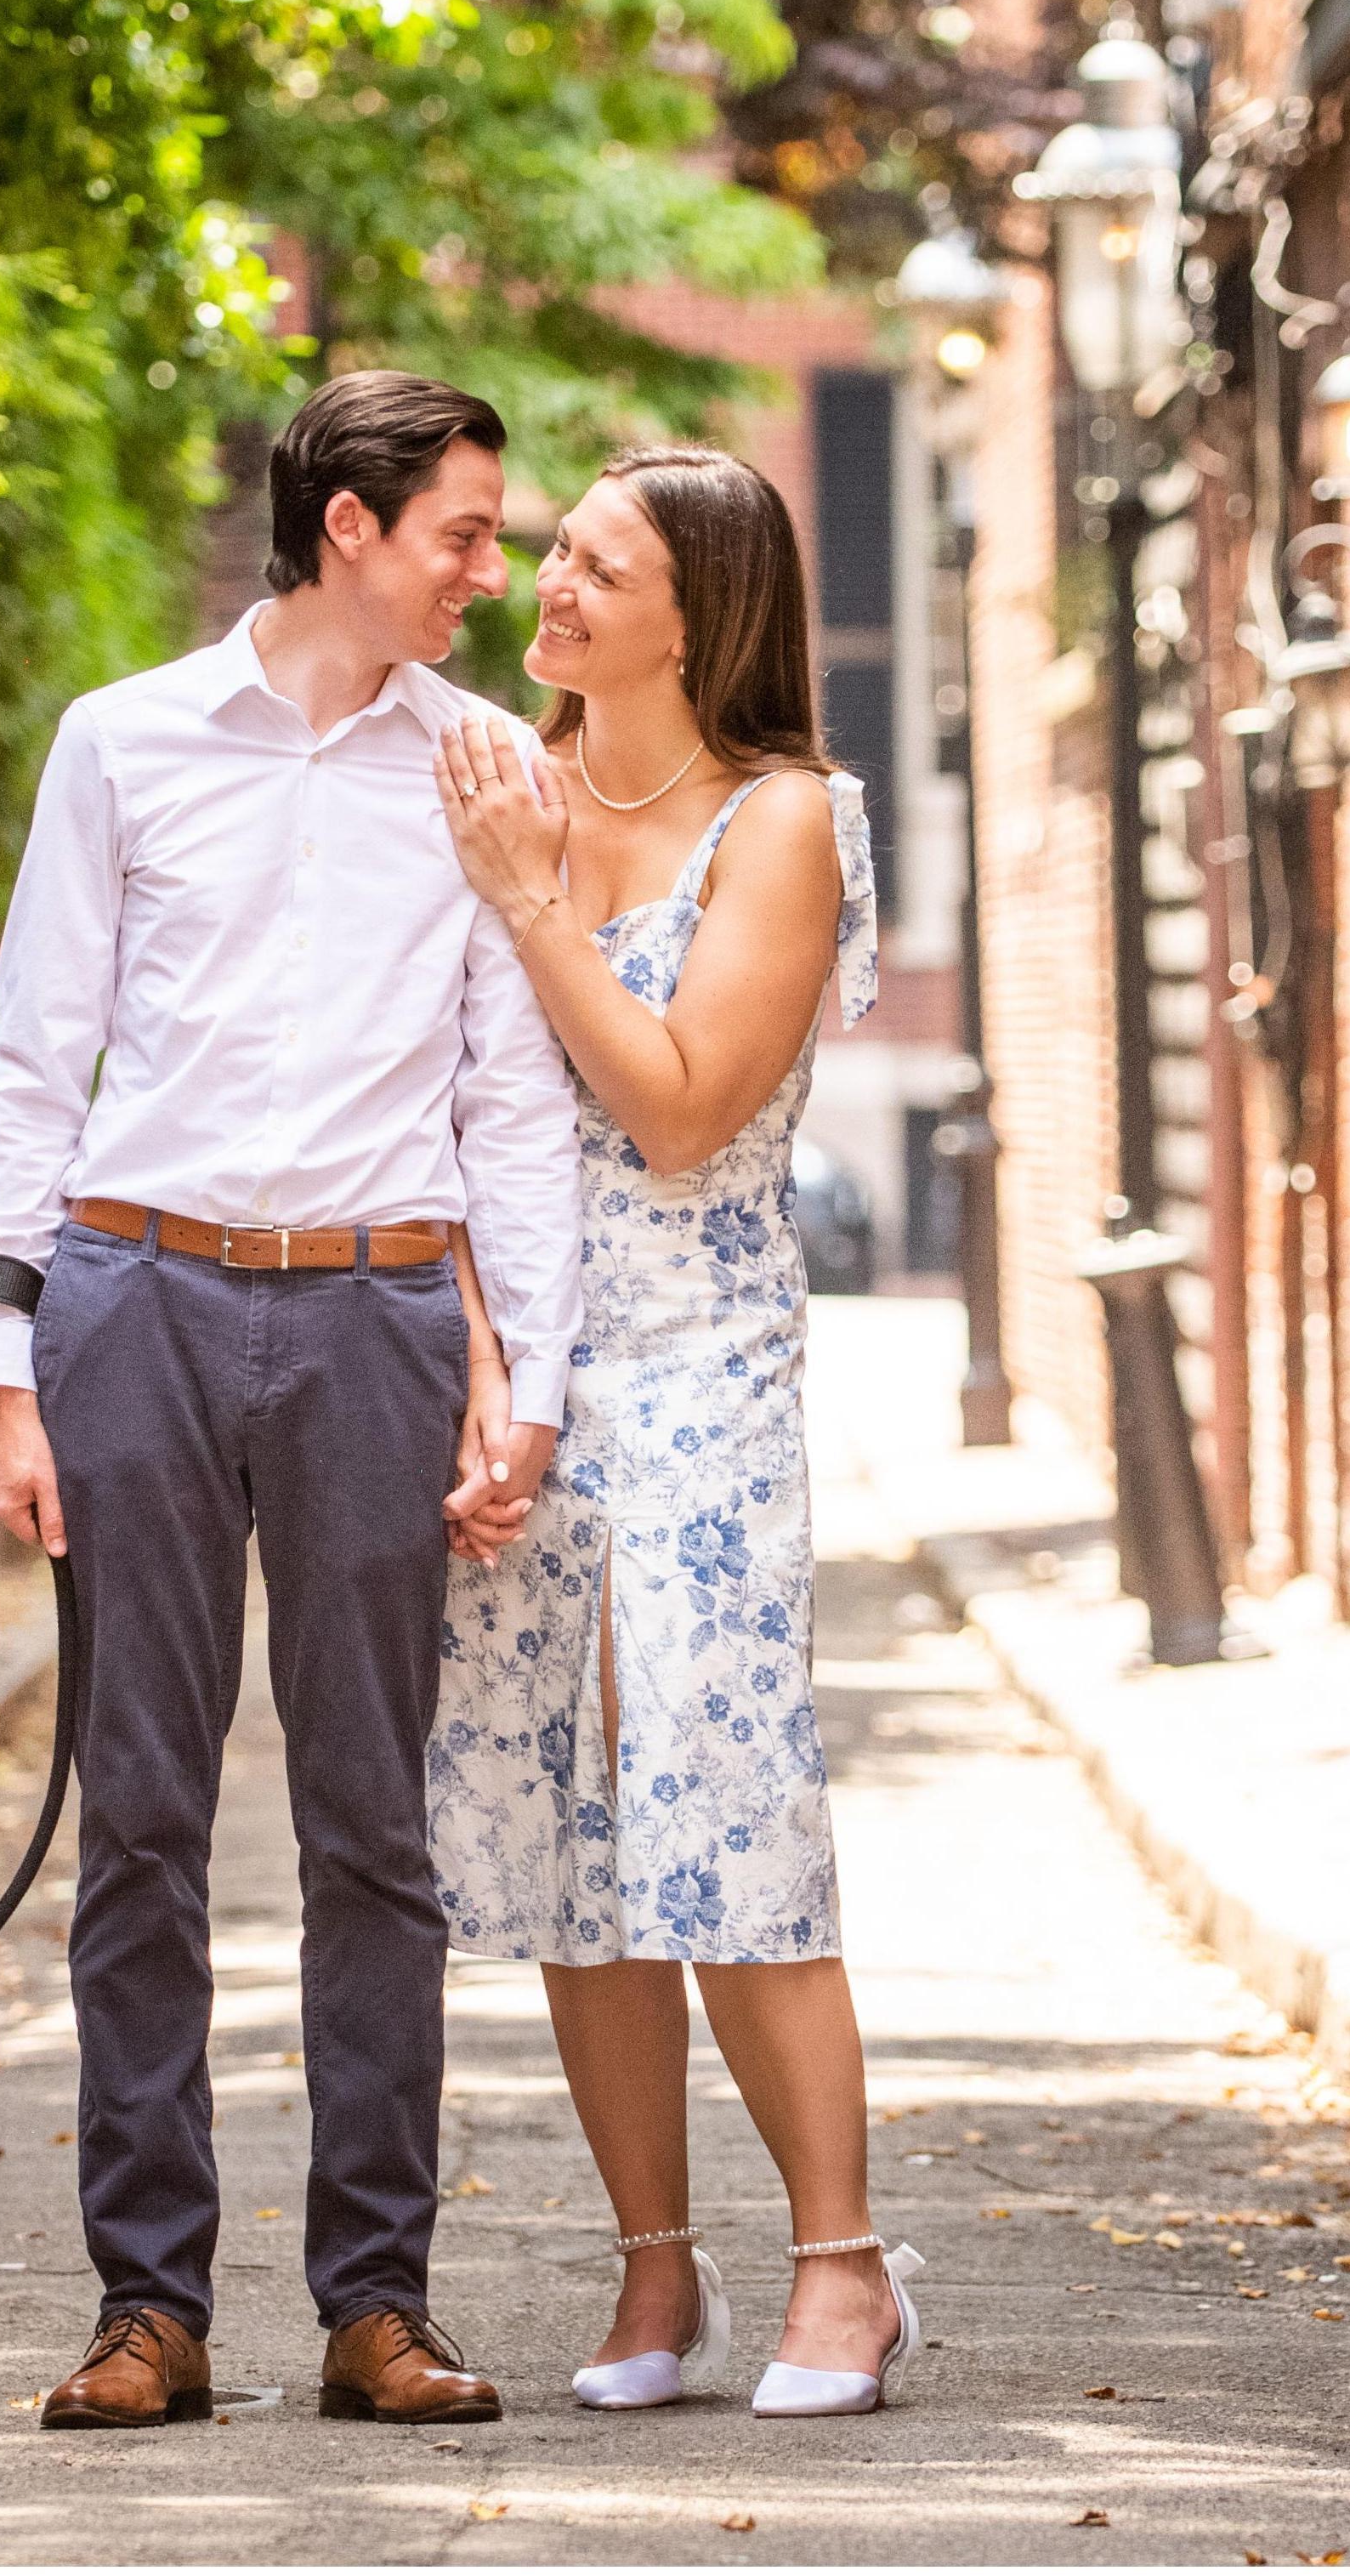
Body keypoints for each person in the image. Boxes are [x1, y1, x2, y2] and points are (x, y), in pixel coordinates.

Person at [0, 371, 585, 2431]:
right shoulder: (121, 742)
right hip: (132, 1300)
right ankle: (148, 2304)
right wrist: (3, 1358)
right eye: (464, 535)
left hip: (376, 1320)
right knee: (138, 1817)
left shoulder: (481, 768)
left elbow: (510, 1100)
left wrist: (530, 1382)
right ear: (346, 527)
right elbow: (37, 1054)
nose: (491, 574)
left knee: (366, 1825)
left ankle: (373, 2299)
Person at [423, 445, 921, 2420]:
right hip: (520, 1382)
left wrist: (534, 910)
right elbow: (440, 1118)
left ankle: (843, 2263)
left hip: (703, 1364)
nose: (542, 585)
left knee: (725, 1807)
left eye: (590, 564)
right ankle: (653, 2268)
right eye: (547, 551)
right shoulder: (499, 793)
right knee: (563, 1832)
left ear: (695, 611)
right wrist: (477, 1369)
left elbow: (682, 1108)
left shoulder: (781, 819)